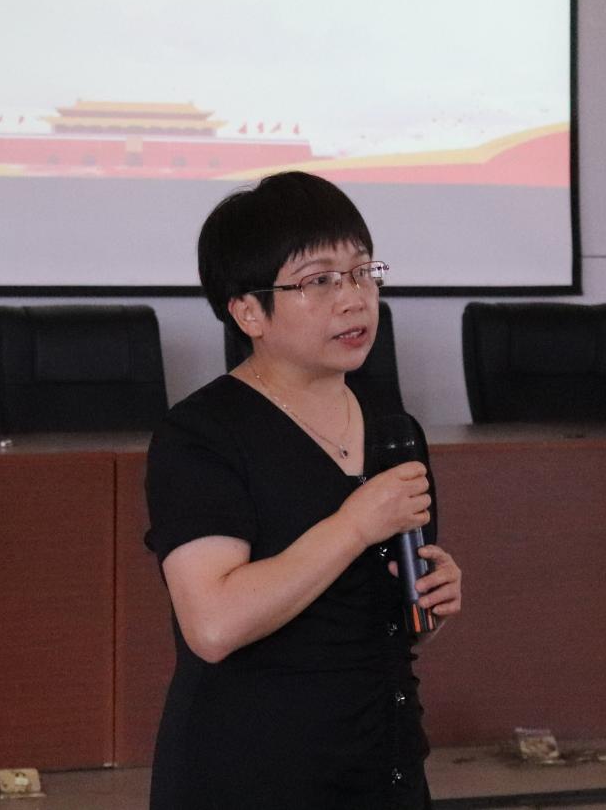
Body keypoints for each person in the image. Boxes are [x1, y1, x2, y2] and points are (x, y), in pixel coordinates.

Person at [144, 171, 464, 809]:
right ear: (248, 311)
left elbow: (378, 626)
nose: (354, 299)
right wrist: (353, 527)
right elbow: (214, 624)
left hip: (382, 764)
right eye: (319, 281)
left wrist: (430, 601)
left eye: (362, 272)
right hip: (252, 775)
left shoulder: (393, 431)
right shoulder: (201, 436)